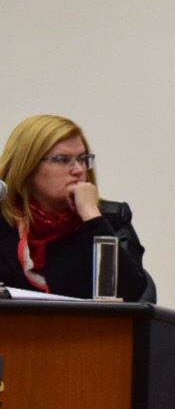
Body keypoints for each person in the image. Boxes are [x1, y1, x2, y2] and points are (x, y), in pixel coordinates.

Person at [0, 114, 154, 302]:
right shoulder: (4, 221)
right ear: (27, 166)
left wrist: (92, 217)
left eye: (82, 159)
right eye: (62, 160)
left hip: (88, 323)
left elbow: (131, 293)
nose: (79, 170)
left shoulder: (111, 218)